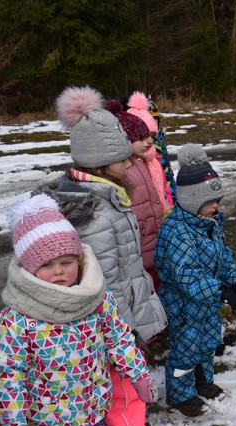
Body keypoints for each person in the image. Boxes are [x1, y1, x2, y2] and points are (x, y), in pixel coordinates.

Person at [0, 195, 158, 426]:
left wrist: (136, 372)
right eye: (47, 265)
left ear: (79, 259)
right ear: (28, 268)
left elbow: (119, 338)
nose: (59, 272)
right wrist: (14, 420)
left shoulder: (96, 299)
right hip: (48, 415)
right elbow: (7, 372)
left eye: (67, 262)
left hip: (94, 401)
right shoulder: (17, 318)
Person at [35, 85, 167, 426]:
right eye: (124, 158)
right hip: (111, 322)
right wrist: (121, 331)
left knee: (119, 389)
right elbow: (102, 280)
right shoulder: (95, 213)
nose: (132, 164)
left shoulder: (104, 197)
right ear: (102, 162)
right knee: (122, 390)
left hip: (119, 316)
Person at [154, 144, 236, 417]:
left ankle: (203, 380)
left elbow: (222, 255)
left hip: (207, 300)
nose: (215, 206)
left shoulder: (209, 223)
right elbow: (187, 275)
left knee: (209, 341)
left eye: (217, 201)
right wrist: (223, 293)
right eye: (209, 202)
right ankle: (180, 394)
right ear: (190, 200)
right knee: (186, 349)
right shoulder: (176, 230)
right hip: (184, 304)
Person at [104, 95, 171, 292]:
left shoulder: (144, 161)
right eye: (142, 138)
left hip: (154, 236)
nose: (149, 142)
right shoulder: (123, 169)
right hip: (139, 243)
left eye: (151, 136)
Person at [145, 96, 176, 200]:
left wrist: (172, 185)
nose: (154, 123)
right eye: (150, 120)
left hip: (167, 185)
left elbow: (166, 163)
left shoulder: (160, 138)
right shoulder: (144, 145)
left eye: (156, 119)